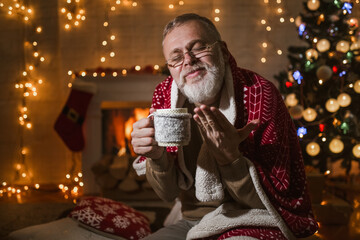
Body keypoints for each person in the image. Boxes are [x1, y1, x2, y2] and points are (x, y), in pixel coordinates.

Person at [131, 13, 318, 240]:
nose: (188, 61)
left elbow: (278, 200)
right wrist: (156, 156)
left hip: (252, 217)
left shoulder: (260, 93)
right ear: (169, 67)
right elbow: (168, 193)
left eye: (198, 48)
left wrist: (231, 160)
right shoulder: (164, 99)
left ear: (223, 50)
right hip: (191, 220)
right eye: (176, 57)